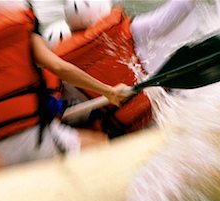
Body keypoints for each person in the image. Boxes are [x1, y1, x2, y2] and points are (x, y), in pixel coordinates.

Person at [0, 3, 128, 174]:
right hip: (40, 139)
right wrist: (108, 92)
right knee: (103, 143)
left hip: (3, 152)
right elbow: (60, 68)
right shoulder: (23, 37)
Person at [34, 0, 198, 138]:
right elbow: (176, 12)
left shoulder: (64, 72)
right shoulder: (129, 31)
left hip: (126, 131)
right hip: (168, 109)